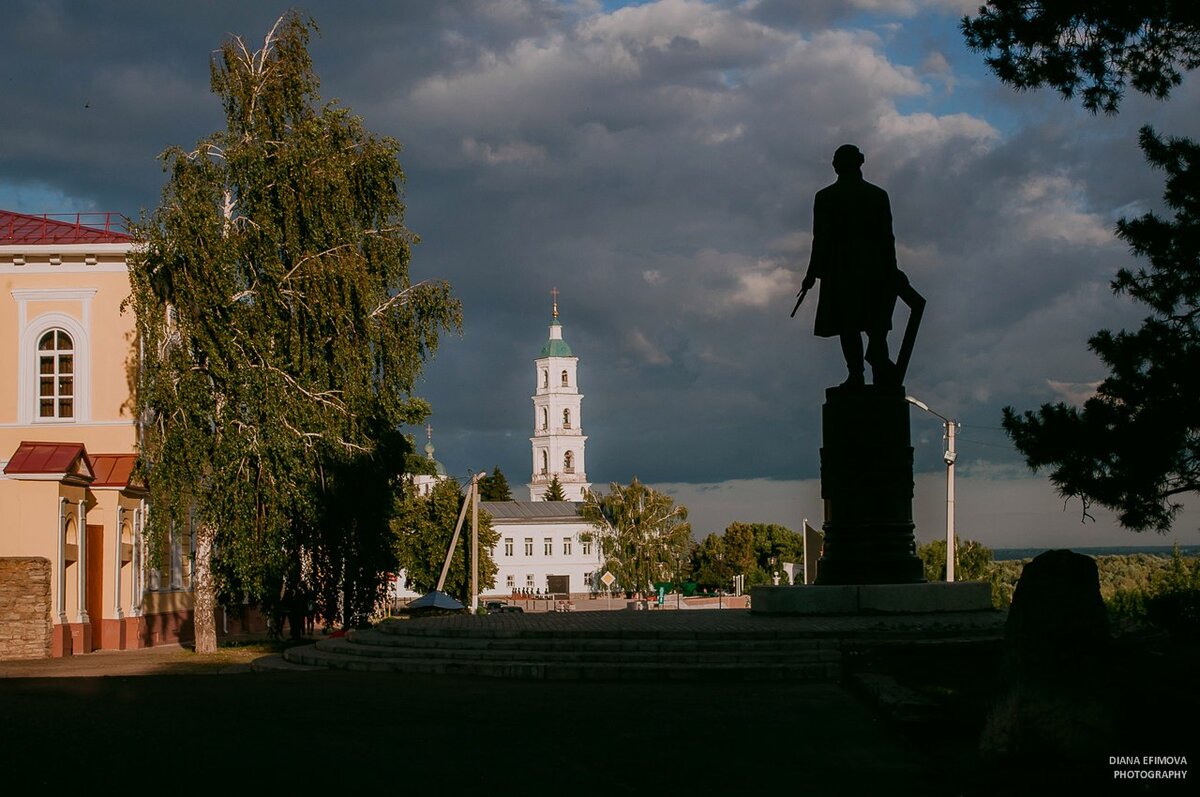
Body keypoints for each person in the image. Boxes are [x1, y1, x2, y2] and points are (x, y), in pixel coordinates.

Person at [801, 144, 902, 386]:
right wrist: (892, 269)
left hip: (843, 270)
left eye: (836, 160)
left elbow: (821, 239)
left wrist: (811, 274)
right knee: (873, 326)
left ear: (840, 165)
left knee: (849, 325)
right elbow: (887, 238)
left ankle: (857, 373)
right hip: (874, 270)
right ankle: (876, 372)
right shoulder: (877, 195)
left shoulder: (826, 197)